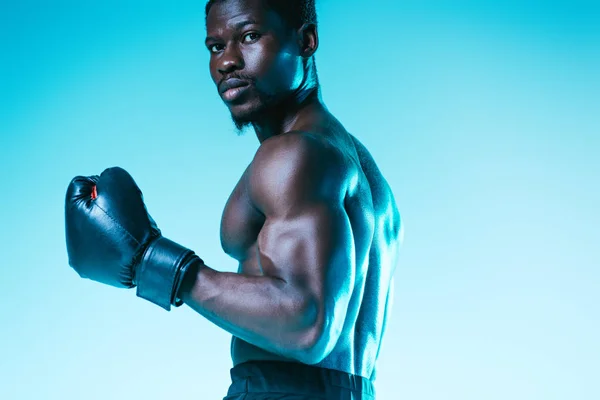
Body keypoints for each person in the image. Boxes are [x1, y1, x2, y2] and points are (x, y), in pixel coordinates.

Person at [64, 0, 402, 398]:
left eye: (250, 37)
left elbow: (308, 327)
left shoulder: (293, 154)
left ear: (306, 40)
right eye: (215, 47)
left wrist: (156, 263)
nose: (227, 62)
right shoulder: (357, 166)